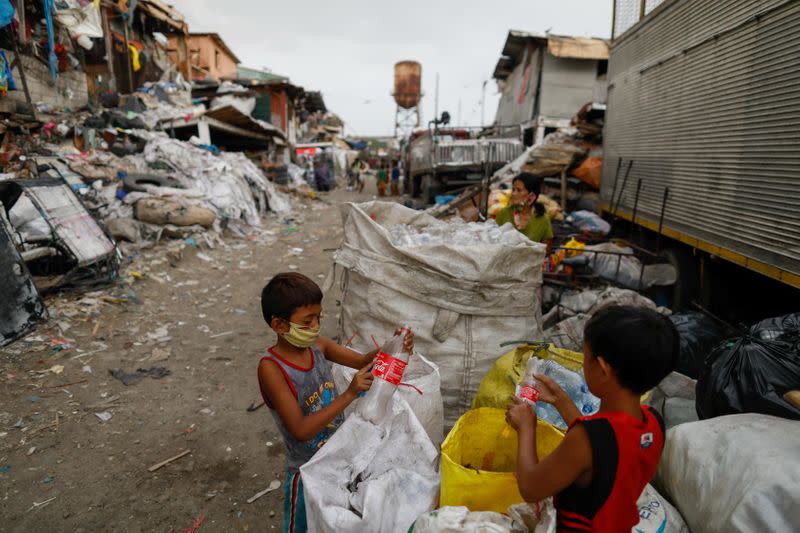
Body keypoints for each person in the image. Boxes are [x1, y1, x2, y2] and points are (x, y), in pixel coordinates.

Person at [258, 273, 414, 533]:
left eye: (319, 317)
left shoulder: (319, 346)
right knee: (304, 526)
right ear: (279, 325)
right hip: (307, 469)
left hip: (338, 457)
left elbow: (364, 360)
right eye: (307, 321)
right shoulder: (271, 369)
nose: (316, 326)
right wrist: (349, 395)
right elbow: (300, 429)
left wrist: (394, 345)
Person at [505, 306, 678, 532]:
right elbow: (605, 448)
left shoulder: (585, 439)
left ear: (603, 370)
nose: (584, 365)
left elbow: (530, 487)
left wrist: (526, 428)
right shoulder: (653, 423)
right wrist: (562, 401)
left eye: (586, 359)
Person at [495, 173, 553, 248]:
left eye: (518, 190)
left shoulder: (542, 219)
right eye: (513, 189)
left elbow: (546, 249)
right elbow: (494, 241)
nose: (513, 194)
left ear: (531, 197)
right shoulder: (504, 213)